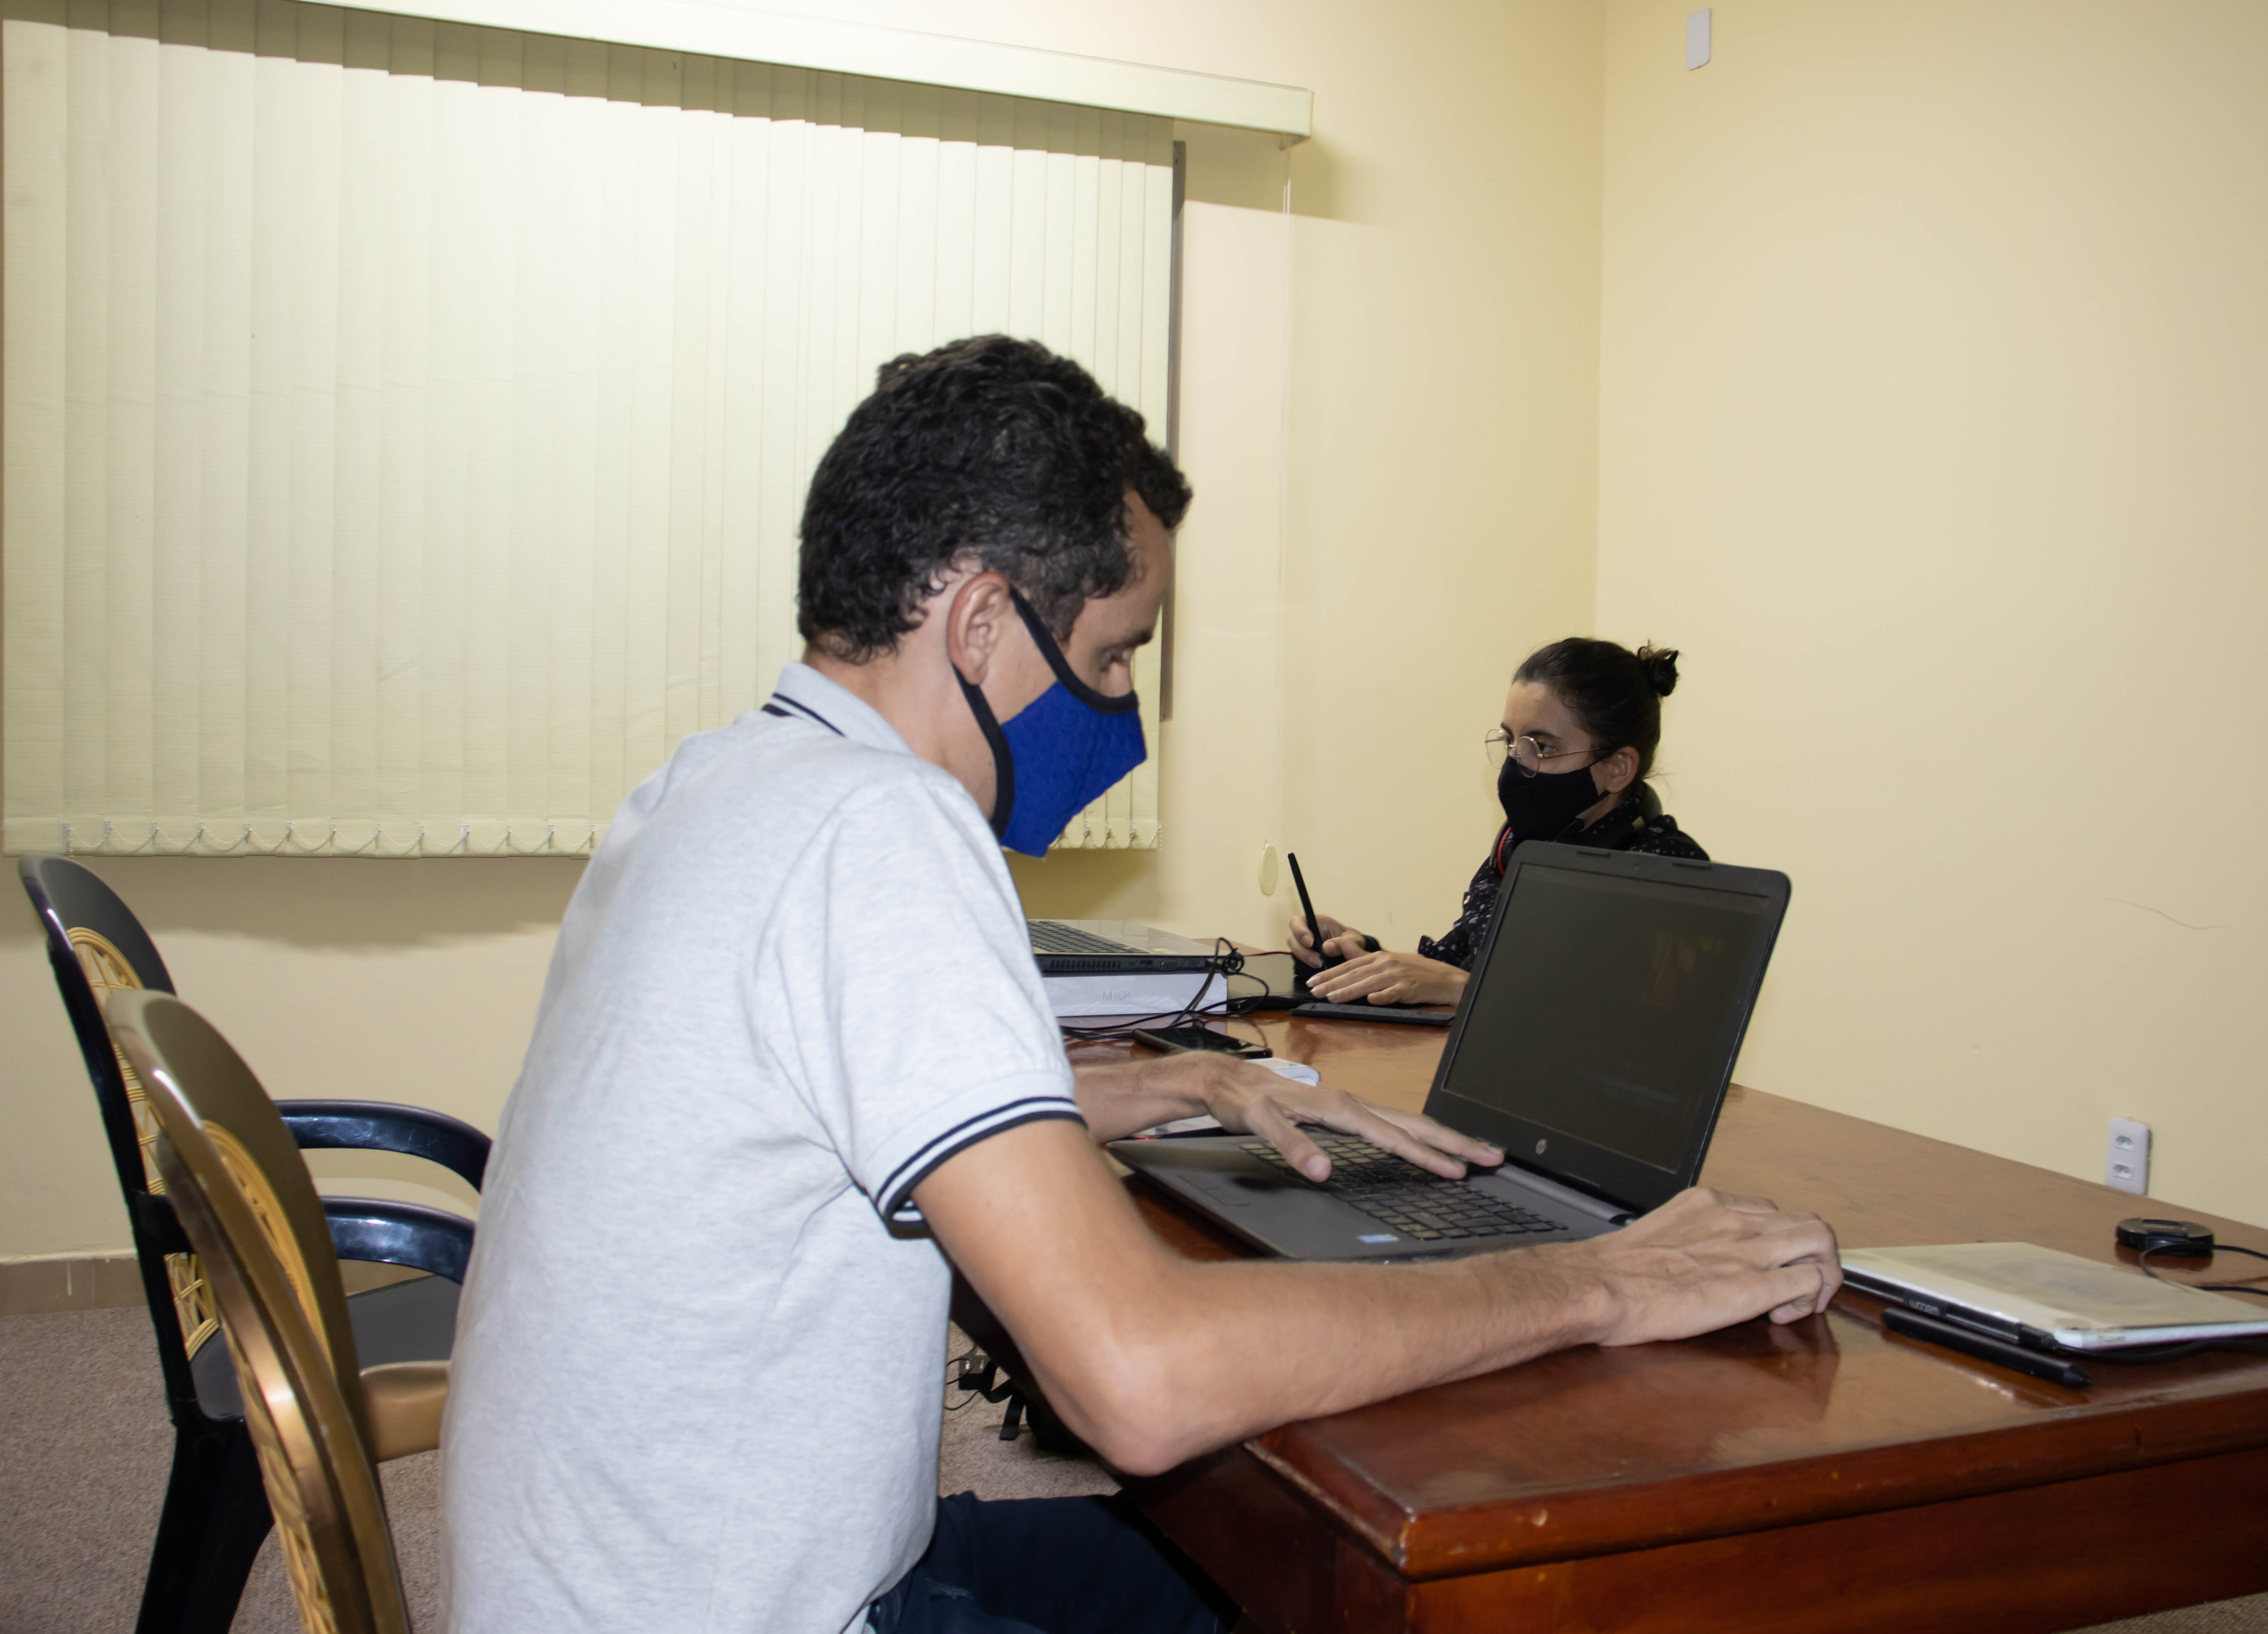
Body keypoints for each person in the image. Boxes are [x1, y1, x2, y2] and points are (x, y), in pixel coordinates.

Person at [440, 336, 1839, 1634]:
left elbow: (805, 1103)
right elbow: (1143, 1381)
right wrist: (1595, 1282)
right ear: (982, 622)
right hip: (752, 1605)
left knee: (1230, 1573)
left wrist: (1168, 1087)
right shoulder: (881, 828)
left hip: (652, 1570)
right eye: (1114, 657)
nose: (1119, 708)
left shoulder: (721, 783)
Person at [1290, 638, 1705, 1009]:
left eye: (1543, 747)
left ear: (1618, 768)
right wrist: (1358, 957)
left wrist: (1468, 989)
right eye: (1511, 742)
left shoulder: (1669, 872)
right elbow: (1452, 968)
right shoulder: (1523, 849)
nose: (1515, 766)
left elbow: (1627, 1019)